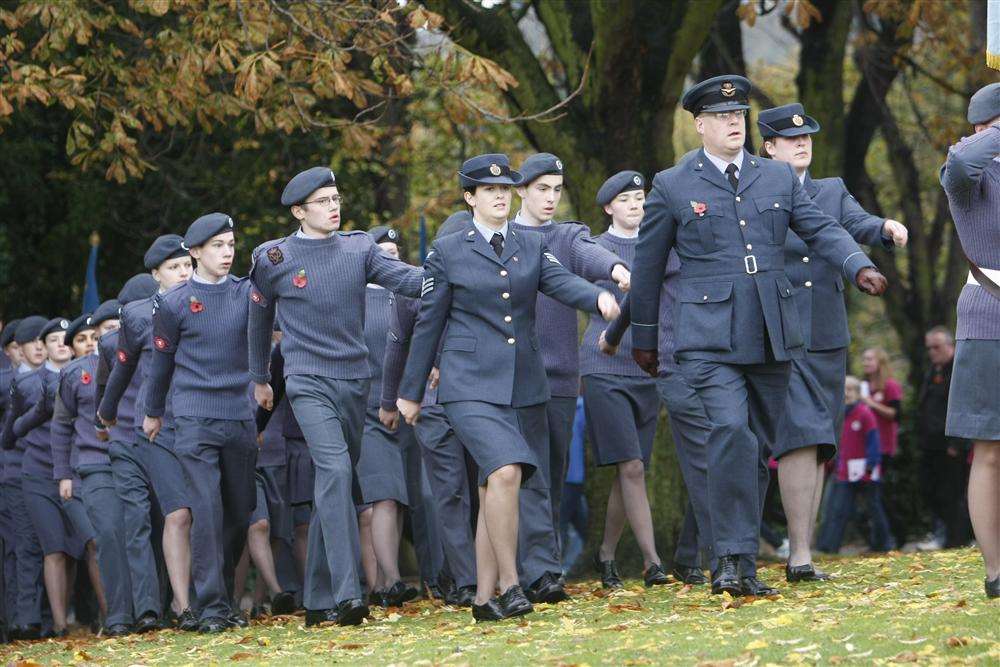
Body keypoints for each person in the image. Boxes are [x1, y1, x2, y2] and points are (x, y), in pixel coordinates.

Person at [629, 74, 887, 597]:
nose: (731, 123)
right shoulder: (673, 184)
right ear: (699, 125)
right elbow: (649, 267)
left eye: (737, 115)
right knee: (729, 435)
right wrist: (645, 337)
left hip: (772, 334)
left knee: (759, 448)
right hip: (709, 340)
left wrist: (858, 265)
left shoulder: (775, 177)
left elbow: (820, 227)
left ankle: (746, 560)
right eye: (721, 117)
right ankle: (730, 559)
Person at [396, 153, 619, 621]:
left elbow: (560, 282)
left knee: (493, 486)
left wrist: (598, 296)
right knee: (506, 473)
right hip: (469, 386)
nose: (499, 195)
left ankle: (483, 597)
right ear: (470, 198)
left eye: (504, 188)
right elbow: (428, 325)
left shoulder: (530, 244)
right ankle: (513, 585)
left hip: (523, 384)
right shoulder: (448, 250)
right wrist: (411, 392)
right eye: (489, 190)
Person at [247, 166, 423, 627]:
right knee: (336, 469)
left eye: (336, 198)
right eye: (323, 201)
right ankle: (348, 595)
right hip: (307, 380)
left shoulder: (359, 247)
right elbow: (259, 318)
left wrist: (448, 275)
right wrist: (260, 376)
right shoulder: (274, 257)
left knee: (335, 485)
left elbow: (404, 279)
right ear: (299, 210)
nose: (334, 207)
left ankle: (318, 597)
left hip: (354, 379)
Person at [757, 102, 907, 583]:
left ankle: (803, 549)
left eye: (808, 138)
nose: (803, 144)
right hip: (778, 329)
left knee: (822, 441)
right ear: (768, 147)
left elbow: (856, 224)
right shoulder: (754, 192)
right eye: (790, 139)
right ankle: (798, 555)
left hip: (824, 331)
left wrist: (883, 229)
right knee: (799, 434)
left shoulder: (830, 190)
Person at [510, 153, 630, 603]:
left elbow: (589, 252)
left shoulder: (567, 234)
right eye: (542, 189)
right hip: (516, 376)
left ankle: (541, 567)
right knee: (532, 473)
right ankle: (538, 570)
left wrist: (616, 269)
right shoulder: (502, 237)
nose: (550, 198)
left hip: (562, 375)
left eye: (557, 190)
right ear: (521, 190)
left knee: (553, 476)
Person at [144, 214, 258, 633]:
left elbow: (268, 341)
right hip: (193, 418)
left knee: (240, 512)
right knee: (206, 511)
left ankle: (224, 597)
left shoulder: (248, 293)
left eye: (230, 244)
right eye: (217, 246)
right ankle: (211, 607)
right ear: (194, 253)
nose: (227, 253)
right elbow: (161, 364)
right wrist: (154, 410)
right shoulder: (173, 303)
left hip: (239, 415)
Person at [379, 211, 480, 608]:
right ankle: (466, 579)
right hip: (435, 408)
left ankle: (484, 572)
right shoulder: (414, 290)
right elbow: (397, 347)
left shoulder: (489, 286)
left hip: (480, 401)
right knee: (450, 493)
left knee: (482, 490)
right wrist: (391, 400)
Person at [99, 247, 197, 631]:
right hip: (138, 436)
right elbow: (111, 388)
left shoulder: (199, 309)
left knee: (190, 518)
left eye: (185, 265)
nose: (183, 273)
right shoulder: (123, 335)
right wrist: (104, 420)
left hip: (191, 421)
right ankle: (151, 609)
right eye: (174, 267)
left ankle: (192, 599)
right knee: (153, 520)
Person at [584, 170, 668, 588]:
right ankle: (653, 562)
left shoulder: (659, 245)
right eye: (626, 199)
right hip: (603, 368)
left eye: (641, 197)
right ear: (608, 207)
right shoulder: (594, 248)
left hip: (647, 369)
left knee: (630, 469)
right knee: (631, 466)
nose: (636, 205)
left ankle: (606, 554)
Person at [939, 82, 1000, 598]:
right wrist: (996, 132)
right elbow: (961, 164)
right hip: (989, 313)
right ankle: (997, 572)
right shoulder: (966, 168)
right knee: (991, 448)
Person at [10, 317, 99, 637]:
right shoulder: (25, 384)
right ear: (44, 348)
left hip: (79, 472)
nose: (61, 344)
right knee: (54, 549)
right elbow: (11, 433)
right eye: (53, 340)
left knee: (85, 545)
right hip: (39, 475)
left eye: (66, 339)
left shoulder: (87, 375)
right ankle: (59, 625)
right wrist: (41, 411)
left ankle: (107, 618)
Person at [52, 313, 133, 636]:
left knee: (137, 536)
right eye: (84, 338)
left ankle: (146, 609)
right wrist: (64, 474)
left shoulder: (132, 360)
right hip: (92, 463)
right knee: (104, 538)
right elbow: (60, 425)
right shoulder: (74, 373)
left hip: (132, 458)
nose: (92, 343)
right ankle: (114, 614)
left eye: (98, 336)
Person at [356, 225, 417, 608]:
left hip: (406, 407)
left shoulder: (408, 293)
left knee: (399, 497)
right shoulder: (355, 297)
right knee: (384, 497)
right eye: (384, 251)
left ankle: (382, 584)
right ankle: (390, 580)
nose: (392, 255)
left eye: (396, 250)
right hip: (367, 409)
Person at [1, 316, 50, 639]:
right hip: (15, 472)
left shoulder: (57, 376)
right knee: (21, 547)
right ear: (11, 350)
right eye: (26, 343)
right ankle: (23, 618)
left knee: (46, 548)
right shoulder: (8, 382)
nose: (34, 348)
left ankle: (40, 618)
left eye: (39, 341)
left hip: (50, 471)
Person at [816, 376, 891, 553]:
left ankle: (883, 544)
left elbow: (873, 442)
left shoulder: (865, 414)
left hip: (866, 470)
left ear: (858, 394)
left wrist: (871, 466)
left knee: (874, 508)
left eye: (850, 390)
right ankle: (830, 546)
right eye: (844, 390)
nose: (846, 393)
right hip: (845, 472)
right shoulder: (839, 416)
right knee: (838, 509)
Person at [915, 327, 970, 550]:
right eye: (929, 348)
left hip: (950, 444)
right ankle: (949, 535)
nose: (932, 352)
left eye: (936, 347)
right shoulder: (932, 371)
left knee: (952, 493)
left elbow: (964, 406)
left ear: (950, 345)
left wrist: (957, 443)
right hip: (930, 443)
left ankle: (956, 540)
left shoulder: (959, 371)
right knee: (929, 490)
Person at [860, 348, 903, 478]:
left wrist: (871, 403)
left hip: (883, 445)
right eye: (864, 359)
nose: (865, 363)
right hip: (863, 443)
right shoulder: (863, 385)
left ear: (880, 362)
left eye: (869, 359)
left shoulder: (890, 385)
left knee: (875, 486)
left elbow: (895, 414)